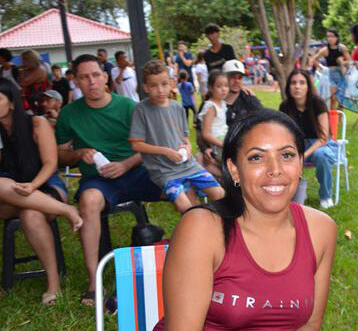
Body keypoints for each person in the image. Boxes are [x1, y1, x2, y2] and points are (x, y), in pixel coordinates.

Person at [120, 109, 337, 331]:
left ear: (299, 163)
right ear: (234, 169)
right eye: (257, 157)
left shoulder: (321, 230)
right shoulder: (203, 228)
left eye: (287, 155)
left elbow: (310, 325)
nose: (275, 169)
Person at [56, 54, 162, 306]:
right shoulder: (69, 114)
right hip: (99, 178)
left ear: (105, 77)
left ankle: (197, 257)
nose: (91, 81)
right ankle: (94, 282)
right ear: (76, 81)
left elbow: (151, 145)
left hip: (137, 170)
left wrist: (126, 164)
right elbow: (60, 155)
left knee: (181, 184)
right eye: (84, 77)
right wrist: (79, 153)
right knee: (88, 201)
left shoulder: (128, 107)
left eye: (96, 75)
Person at [0, 79, 82, 306]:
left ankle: (53, 285)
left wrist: (33, 186)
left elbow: (50, 163)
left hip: (46, 187)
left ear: (12, 103)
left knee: (31, 214)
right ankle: (66, 210)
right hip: (10, 195)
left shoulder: (37, 124)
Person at [129, 60, 223, 213]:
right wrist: (165, 151)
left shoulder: (177, 107)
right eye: (153, 86)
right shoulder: (141, 110)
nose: (160, 90)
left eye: (164, 84)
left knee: (220, 194)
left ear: (172, 83)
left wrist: (188, 147)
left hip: (189, 166)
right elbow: (136, 144)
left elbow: (184, 136)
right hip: (164, 172)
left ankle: (221, 225)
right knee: (185, 207)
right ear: (145, 87)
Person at [279, 69, 337, 210]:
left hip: (320, 145)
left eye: (302, 83)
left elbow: (323, 138)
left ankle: (325, 196)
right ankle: (292, 193)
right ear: (289, 87)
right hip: (296, 146)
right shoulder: (285, 106)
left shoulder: (318, 103)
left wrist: (303, 155)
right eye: (293, 83)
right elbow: (283, 135)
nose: (297, 86)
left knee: (321, 155)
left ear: (308, 86)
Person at [197, 71, 229, 179]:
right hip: (216, 143)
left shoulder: (222, 103)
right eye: (219, 86)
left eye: (226, 86)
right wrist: (224, 144)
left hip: (224, 138)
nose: (224, 89)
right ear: (211, 88)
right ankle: (225, 177)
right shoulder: (210, 107)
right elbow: (206, 134)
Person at [309, 29, 350, 110]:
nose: (330, 39)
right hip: (330, 74)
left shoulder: (342, 48)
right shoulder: (325, 50)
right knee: (333, 97)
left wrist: (342, 62)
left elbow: (349, 61)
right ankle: (332, 115)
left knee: (341, 99)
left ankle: (340, 116)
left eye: (332, 36)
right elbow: (313, 59)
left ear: (337, 37)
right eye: (328, 36)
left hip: (342, 73)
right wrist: (322, 68)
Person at [222, 59, 262, 127]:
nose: (237, 81)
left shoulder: (249, 100)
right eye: (232, 77)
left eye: (240, 77)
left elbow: (262, 120)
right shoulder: (214, 100)